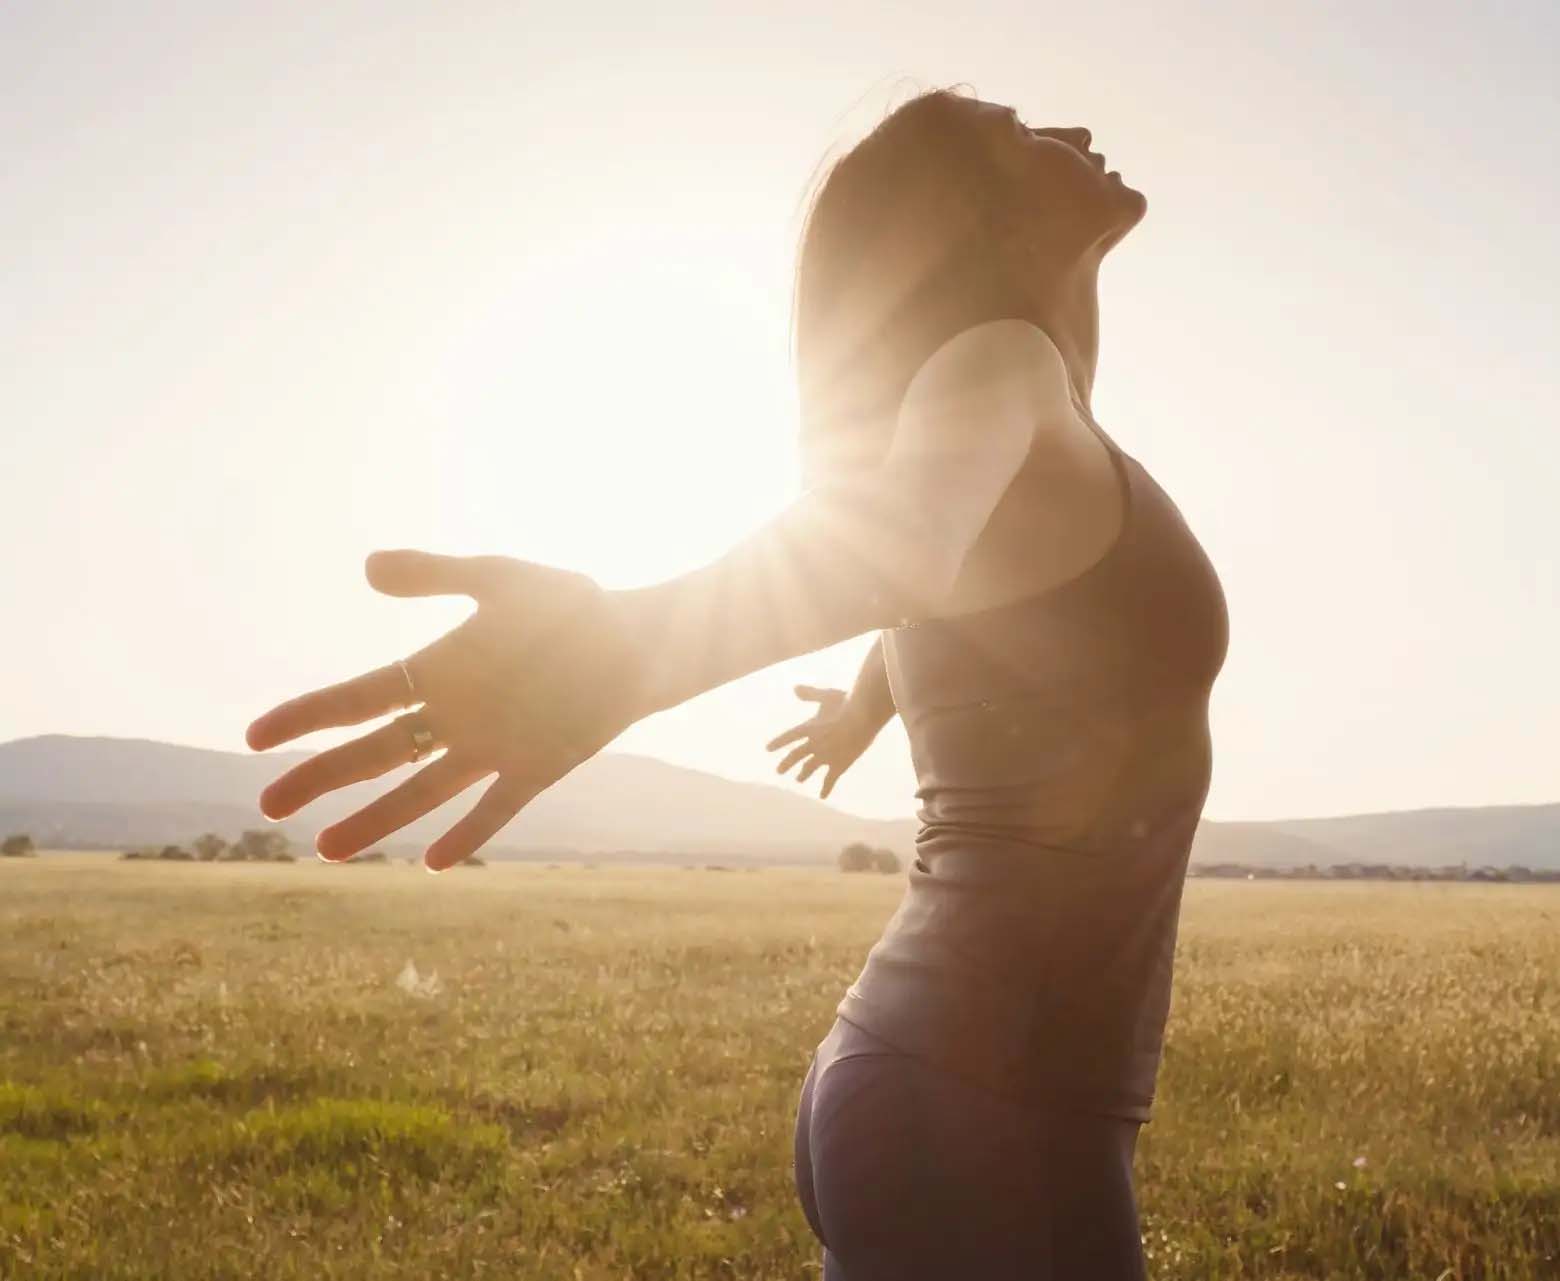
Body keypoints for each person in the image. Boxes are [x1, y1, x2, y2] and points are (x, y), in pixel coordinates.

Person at [247, 86, 1228, 1280]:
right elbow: (895, 552)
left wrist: (869, 702)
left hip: (955, 1084)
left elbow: (945, 578)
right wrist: (618, 657)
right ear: (969, 213)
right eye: (1018, 132)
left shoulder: (1032, 408)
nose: (1073, 133)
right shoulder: (998, 365)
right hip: (990, 1104)